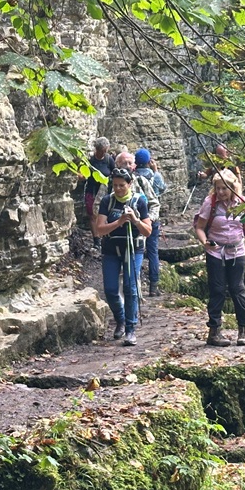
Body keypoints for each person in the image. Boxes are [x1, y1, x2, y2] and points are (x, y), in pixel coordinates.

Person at [192, 169, 245, 347]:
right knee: (217, 290)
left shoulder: (242, 203)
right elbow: (199, 227)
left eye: (224, 188)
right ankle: (214, 332)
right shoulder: (210, 203)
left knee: (237, 288)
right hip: (216, 252)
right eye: (217, 188)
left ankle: (243, 329)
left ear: (232, 187)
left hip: (237, 251)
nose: (220, 192)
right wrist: (205, 243)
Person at [94, 167, 152, 346]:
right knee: (111, 290)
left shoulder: (139, 201)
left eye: (122, 185)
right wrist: (119, 222)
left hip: (133, 250)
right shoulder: (107, 201)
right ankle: (120, 319)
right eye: (115, 185)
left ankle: (130, 329)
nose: (118, 189)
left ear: (130, 184)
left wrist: (135, 220)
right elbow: (99, 229)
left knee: (130, 287)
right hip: (111, 250)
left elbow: (147, 231)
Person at [133, 148, 166, 296]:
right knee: (152, 251)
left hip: (137, 219)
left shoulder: (132, 177)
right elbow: (163, 189)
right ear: (148, 161)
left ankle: (136, 284)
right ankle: (153, 287)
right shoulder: (154, 175)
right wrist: (156, 170)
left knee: (137, 251)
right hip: (152, 218)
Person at [79, 137, 114, 225]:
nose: (103, 153)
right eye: (102, 151)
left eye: (105, 151)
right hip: (92, 190)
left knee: (104, 213)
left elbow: (114, 173)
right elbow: (82, 174)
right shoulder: (90, 160)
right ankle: (95, 234)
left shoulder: (109, 159)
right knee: (92, 214)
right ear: (96, 149)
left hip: (105, 191)